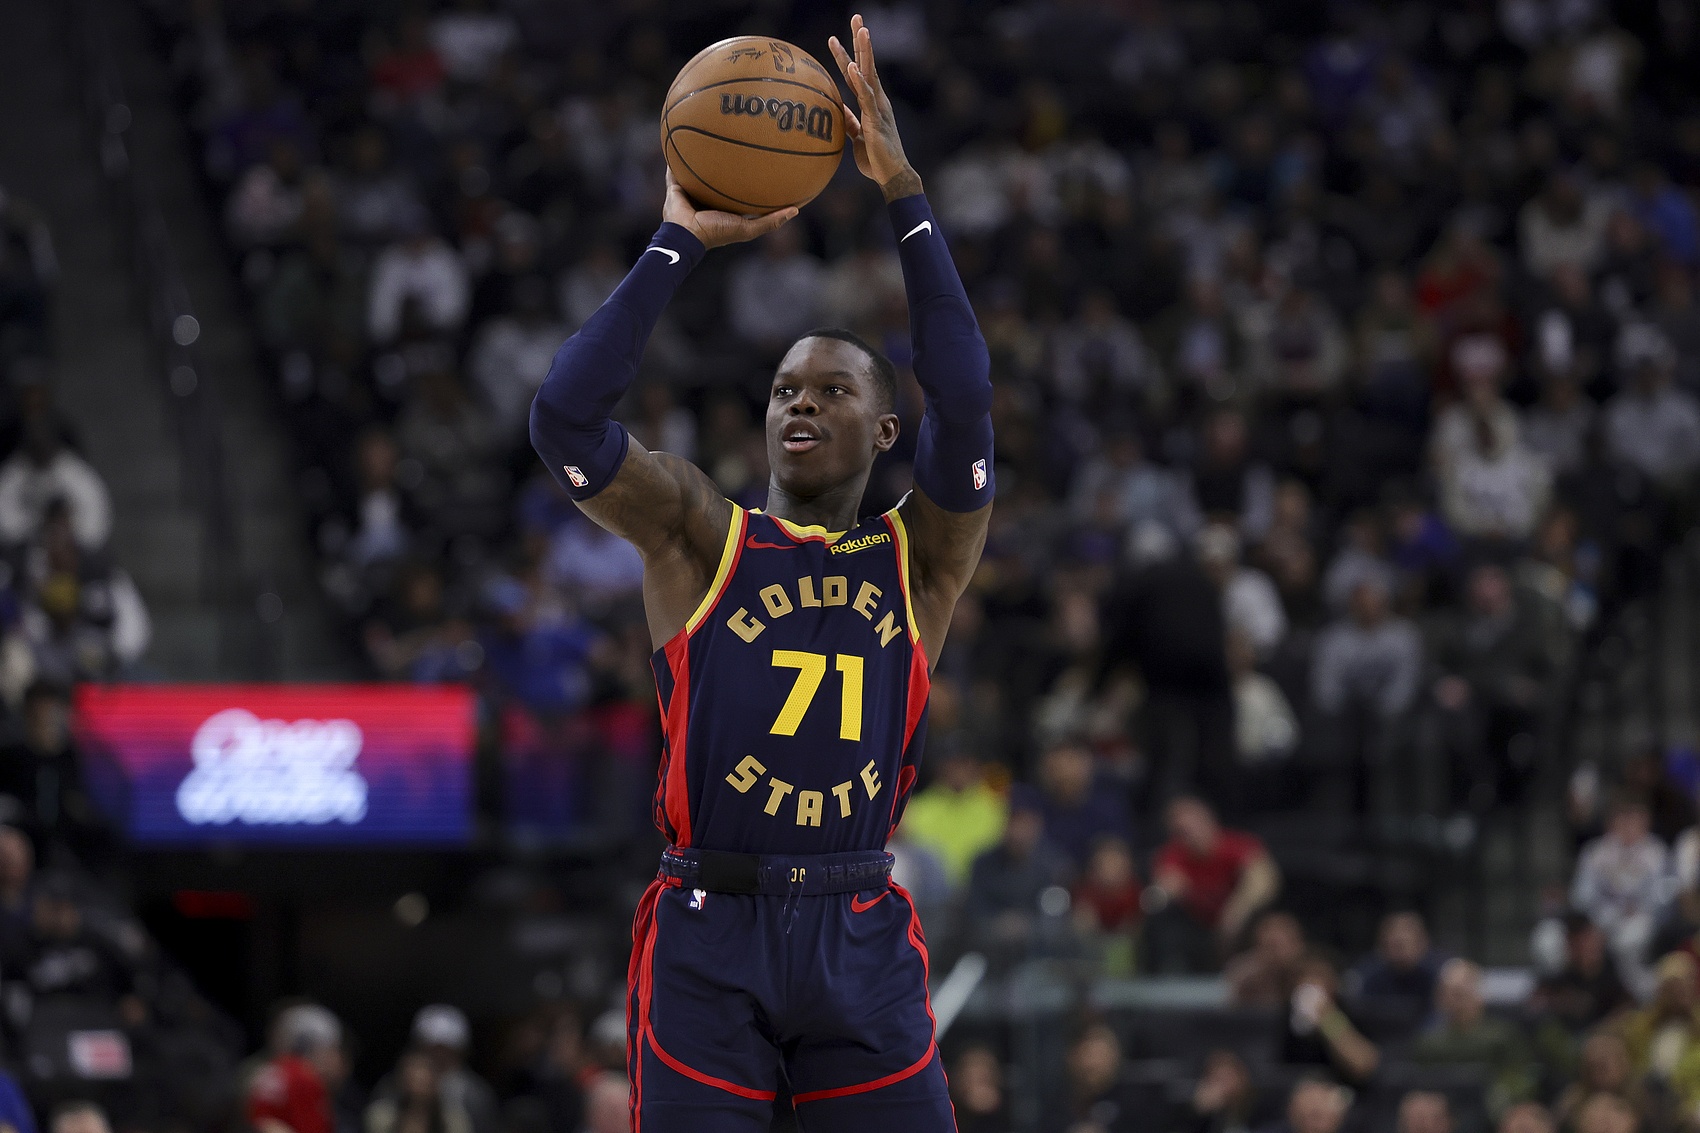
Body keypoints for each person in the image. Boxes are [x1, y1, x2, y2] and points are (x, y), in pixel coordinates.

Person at [528, 19, 993, 1129]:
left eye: (832, 390)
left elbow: (966, 394)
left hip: (857, 919)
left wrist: (903, 193)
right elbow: (565, 419)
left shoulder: (920, 556)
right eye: (785, 388)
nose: (800, 403)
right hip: (710, 925)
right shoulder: (699, 535)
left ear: (886, 429)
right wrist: (676, 239)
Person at [1146, 796, 1281, 972]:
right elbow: (1158, 892)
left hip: (1242, 923)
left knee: (1270, 927)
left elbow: (1265, 881)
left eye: (1195, 826)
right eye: (1182, 832)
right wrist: (1166, 891)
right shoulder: (1172, 855)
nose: (1191, 835)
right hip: (1198, 928)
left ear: (1210, 822)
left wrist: (1237, 910)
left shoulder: (1236, 845)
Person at [1412, 959, 1538, 1117]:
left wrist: (1502, 1097)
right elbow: (1419, 1081)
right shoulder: (1429, 1041)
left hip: (1493, 1111)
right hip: (1439, 1113)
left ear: (1479, 995)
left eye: (1459, 994)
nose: (1453, 1001)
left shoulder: (1503, 1035)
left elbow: (1522, 1075)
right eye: (1446, 994)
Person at [1348, 911, 1446, 1033]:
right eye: (1394, 945)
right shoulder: (1368, 975)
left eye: (1403, 944)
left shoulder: (1440, 976)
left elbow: (1441, 1018)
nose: (1400, 953)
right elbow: (1358, 1015)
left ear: (1422, 943)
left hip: (1425, 1039)